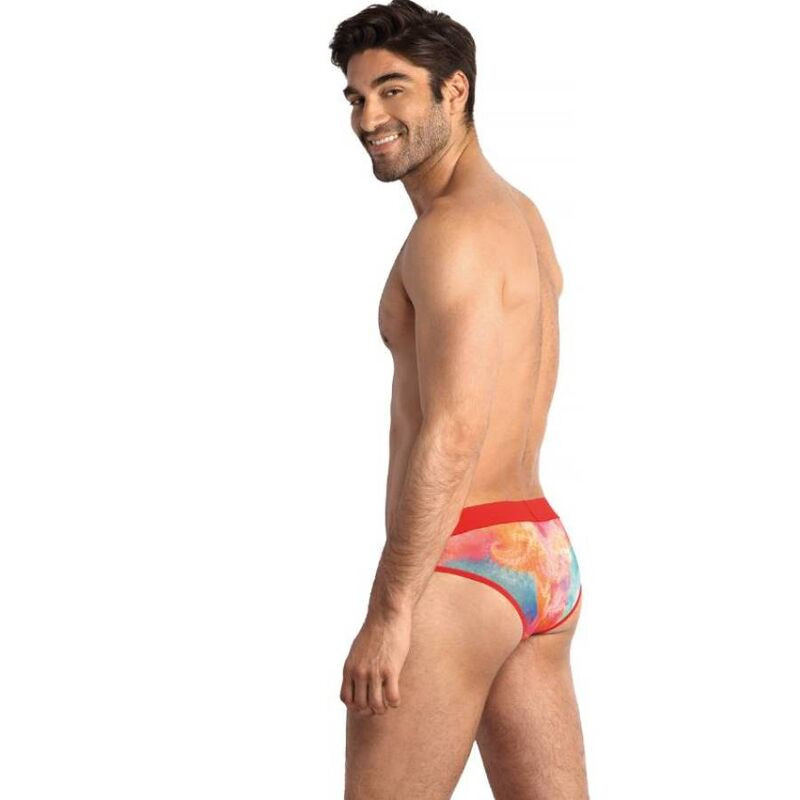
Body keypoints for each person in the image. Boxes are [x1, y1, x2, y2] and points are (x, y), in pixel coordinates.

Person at [329, 2, 588, 797]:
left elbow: (454, 429)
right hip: (538, 552)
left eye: (393, 90)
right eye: (356, 97)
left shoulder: (452, 233)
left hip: (462, 565)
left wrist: (391, 609)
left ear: (455, 91)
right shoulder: (520, 215)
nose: (369, 118)